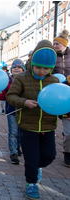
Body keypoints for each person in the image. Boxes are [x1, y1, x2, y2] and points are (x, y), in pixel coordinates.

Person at [6, 40, 59, 200]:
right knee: (31, 157)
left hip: (48, 126)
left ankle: (38, 168)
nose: (42, 71)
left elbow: (60, 100)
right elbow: (11, 96)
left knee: (49, 156)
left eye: (46, 68)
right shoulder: (22, 78)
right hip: (28, 125)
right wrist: (25, 102)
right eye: (38, 67)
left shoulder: (54, 81)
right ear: (32, 63)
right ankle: (31, 184)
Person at [0, 59, 25, 164]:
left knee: (21, 132)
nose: (16, 69)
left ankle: (17, 146)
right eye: (14, 67)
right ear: (11, 70)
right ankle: (13, 153)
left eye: (19, 67)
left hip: (24, 110)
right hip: (11, 110)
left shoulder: (26, 81)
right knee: (13, 132)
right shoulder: (7, 81)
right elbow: (4, 95)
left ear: (23, 69)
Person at [53, 30, 70, 167]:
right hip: (56, 92)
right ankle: (67, 153)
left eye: (57, 43)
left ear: (64, 44)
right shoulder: (53, 56)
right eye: (53, 43)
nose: (54, 45)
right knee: (67, 130)